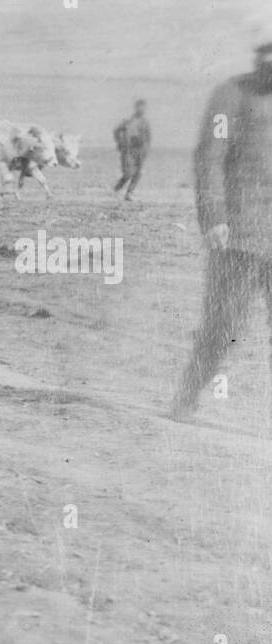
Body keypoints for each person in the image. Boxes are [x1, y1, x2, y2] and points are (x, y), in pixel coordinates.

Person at [169, 21, 272, 419]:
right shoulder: (230, 94)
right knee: (222, 327)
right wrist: (213, 216)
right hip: (239, 235)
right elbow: (210, 158)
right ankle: (186, 397)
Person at [112, 99, 150, 201]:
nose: (141, 109)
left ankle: (129, 194)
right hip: (128, 150)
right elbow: (116, 131)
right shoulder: (128, 121)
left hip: (139, 151)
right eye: (139, 107)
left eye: (143, 107)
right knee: (128, 173)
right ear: (136, 108)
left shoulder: (145, 123)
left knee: (138, 173)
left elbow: (148, 137)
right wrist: (120, 143)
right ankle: (116, 189)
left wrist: (145, 150)